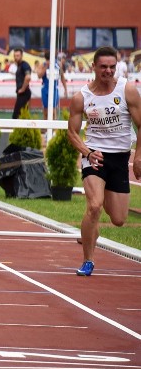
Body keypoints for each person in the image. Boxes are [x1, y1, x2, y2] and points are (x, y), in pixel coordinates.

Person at [66, 46, 141, 276]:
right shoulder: (82, 97)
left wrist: (138, 156)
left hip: (120, 158)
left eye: (112, 66)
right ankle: (88, 260)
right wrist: (87, 152)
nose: (108, 71)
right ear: (94, 67)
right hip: (95, 157)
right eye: (103, 67)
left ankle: (92, 227)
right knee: (94, 205)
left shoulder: (127, 90)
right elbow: (72, 132)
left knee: (118, 219)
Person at [39, 51, 68, 118]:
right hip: (45, 89)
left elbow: (62, 77)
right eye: (47, 59)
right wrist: (46, 66)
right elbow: (39, 75)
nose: (48, 60)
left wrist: (65, 89)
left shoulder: (58, 65)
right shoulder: (43, 65)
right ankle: (45, 127)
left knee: (53, 110)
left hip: (54, 89)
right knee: (45, 111)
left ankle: (54, 127)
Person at [11, 48, 32, 118]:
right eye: (15, 56)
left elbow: (28, 77)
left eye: (18, 55)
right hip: (21, 93)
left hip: (24, 93)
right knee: (22, 115)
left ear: (22, 56)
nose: (16, 57)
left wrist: (22, 89)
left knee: (16, 116)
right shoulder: (19, 66)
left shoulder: (24, 65)